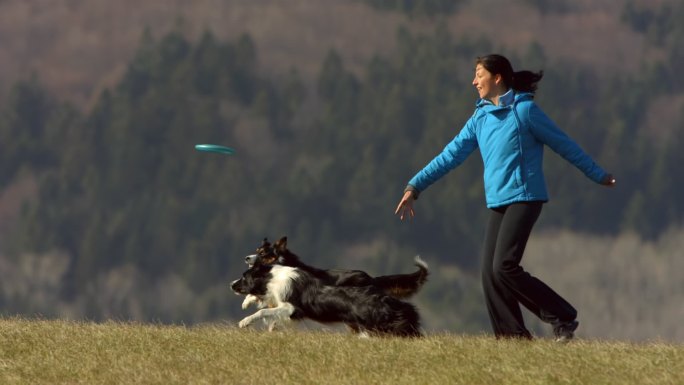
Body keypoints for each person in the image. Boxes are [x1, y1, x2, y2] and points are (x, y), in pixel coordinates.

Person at [394, 54, 616, 341]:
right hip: (499, 201)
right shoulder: (480, 118)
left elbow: (565, 144)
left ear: (497, 78)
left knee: (504, 266)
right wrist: (415, 186)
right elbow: (450, 155)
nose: (473, 81)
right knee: (489, 273)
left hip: (525, 197)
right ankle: (513, 339)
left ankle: (562, 317)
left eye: (478, 75)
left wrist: (598, 174)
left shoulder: (524, 112)